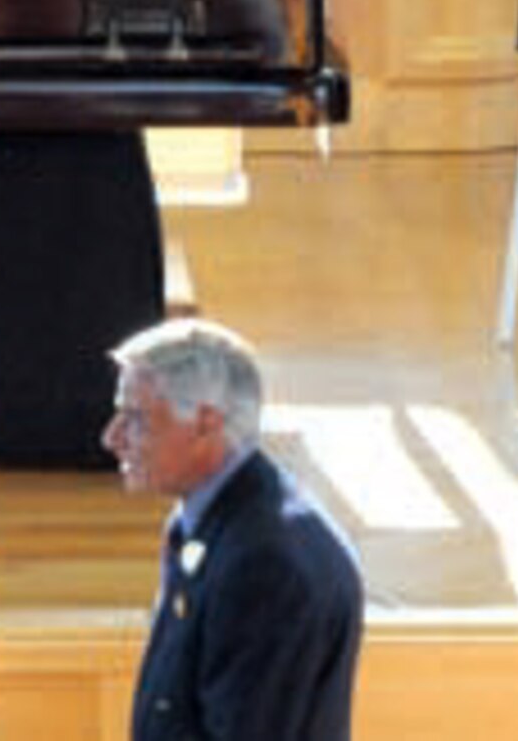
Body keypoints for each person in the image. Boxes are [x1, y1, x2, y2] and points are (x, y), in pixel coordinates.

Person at [103, 318, 362, 741]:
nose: (111, 438)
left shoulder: (265, 566)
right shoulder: (212, 521)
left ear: (205, 423)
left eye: (136, 419)